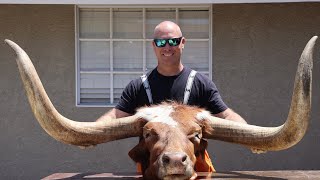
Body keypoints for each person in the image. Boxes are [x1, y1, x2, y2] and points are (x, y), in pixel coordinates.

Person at [97, 20, 246, 172]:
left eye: (173, 41)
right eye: (161, 42)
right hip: (153, 168)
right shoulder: (138, 86)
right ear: (154, 45)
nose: (167, 47)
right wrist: (92, 134)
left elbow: (227, 116)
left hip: (192, 167)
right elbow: (115, 115)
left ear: (182, 43)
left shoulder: (201, 84)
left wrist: (250, 136)